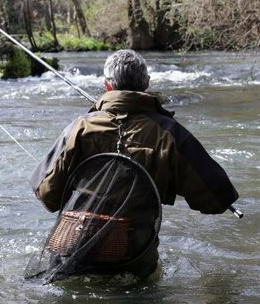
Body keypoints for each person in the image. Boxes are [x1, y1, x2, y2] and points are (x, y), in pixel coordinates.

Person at [28, 49, 239, 278]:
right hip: (134, 257)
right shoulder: (169, 134)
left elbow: (47, 195)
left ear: (107, 86)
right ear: (146, 84)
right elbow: (216, 200)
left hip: (74, 249)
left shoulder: (79, 128)